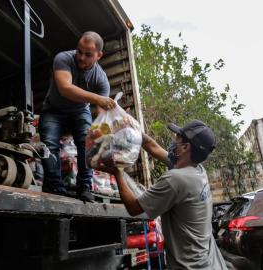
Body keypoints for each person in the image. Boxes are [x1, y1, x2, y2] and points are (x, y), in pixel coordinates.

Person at [104, 120, 229, 269]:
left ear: (185, 147)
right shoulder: (197, 170)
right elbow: (153, 147)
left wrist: (117, 172)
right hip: (210, 263)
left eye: (178, 138)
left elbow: (133, 207)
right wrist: (130, 128)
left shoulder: (176, 180)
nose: (174, 141)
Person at [39, 31, 116, 202]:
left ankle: (85, 187)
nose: (81, 57)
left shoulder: (101, 79)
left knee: (88, 142)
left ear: (99, 55)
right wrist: (96, 98)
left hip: (80, 111)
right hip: (53, 109)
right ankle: (54, 186)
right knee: (49, 144)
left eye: (88, 54)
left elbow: (100, 116)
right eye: (79, 51)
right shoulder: (63, 58)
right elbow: (65, 89)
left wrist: (99, 131)